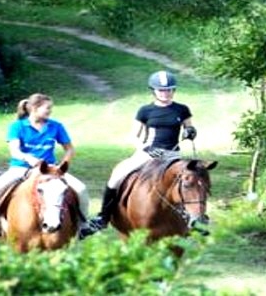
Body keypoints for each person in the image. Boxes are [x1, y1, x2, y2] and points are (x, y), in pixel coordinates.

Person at [84, 70, 197, 236]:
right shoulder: (145, 111)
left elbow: (190, 128)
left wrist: (191, 132)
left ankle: (194, 217)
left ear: (174, 91)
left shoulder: (182, 109)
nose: (165, 93)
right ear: (154, 91)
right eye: (161, 90)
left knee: (194, 178)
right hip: (148, 153)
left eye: (169, 90)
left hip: (173, 155)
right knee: (117, 176)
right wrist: (147, 148)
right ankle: (103, 217)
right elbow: (133, 135)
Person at [0, 93, 91, 239]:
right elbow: (15, 151)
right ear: (34, 108)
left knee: (81, 189)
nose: (50, 111)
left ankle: (83, 225)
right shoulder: (17, 126)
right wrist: (29, 158)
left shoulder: (56, 126)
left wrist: (63, 164)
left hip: (49, 169)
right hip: (21, 167)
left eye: (50, 108)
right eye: (47, 108)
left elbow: (69, 149)